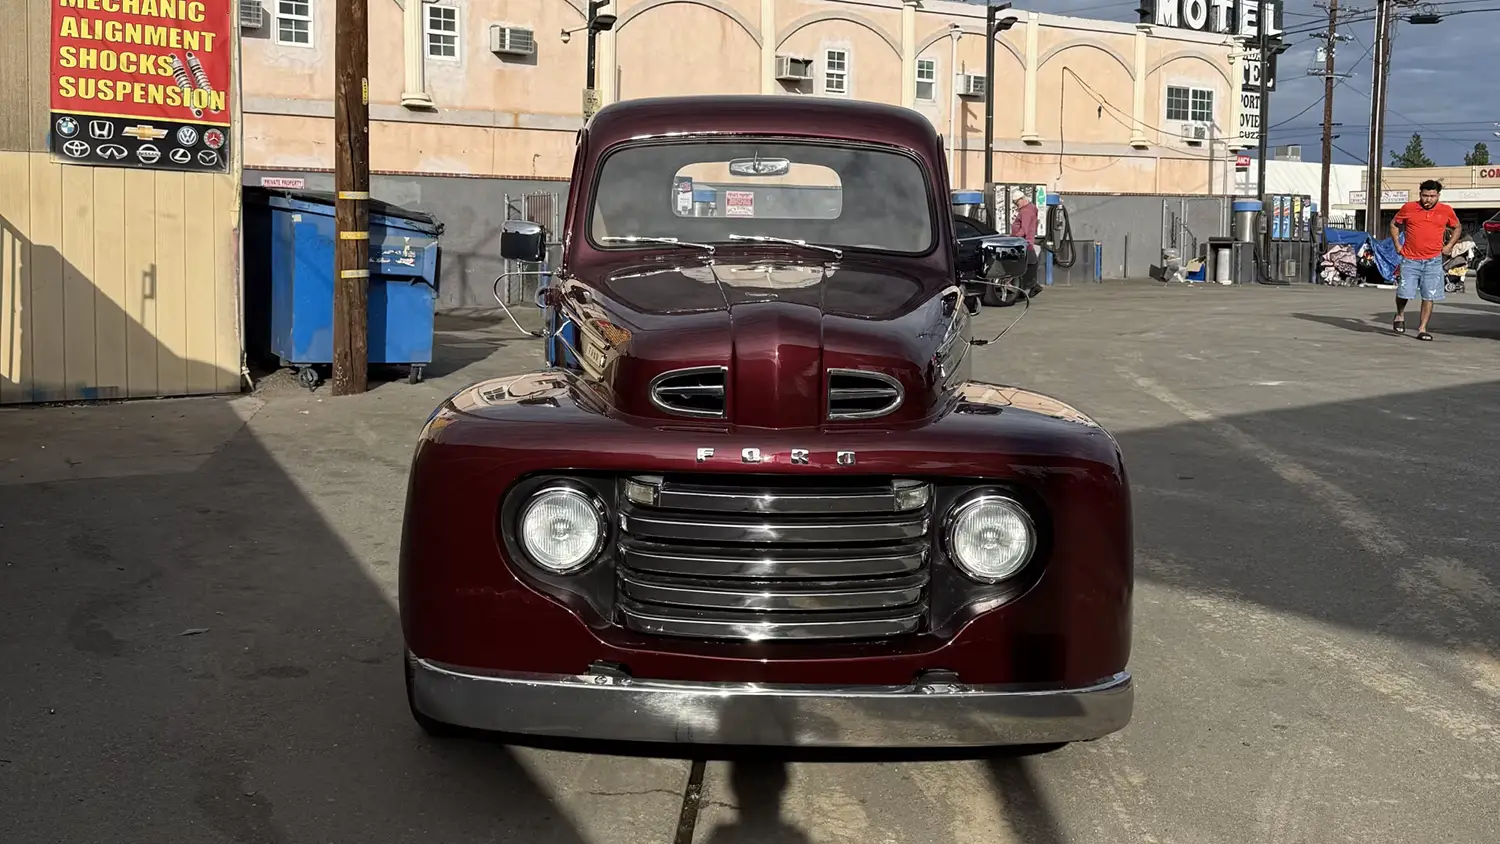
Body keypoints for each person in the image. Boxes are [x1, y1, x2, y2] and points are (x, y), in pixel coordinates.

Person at [1390, 179, 1461, 340]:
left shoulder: (1446, 210)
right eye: (1425, 195)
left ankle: (1422, 329)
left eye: (1432, 196)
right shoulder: (1409, 208)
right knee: (1404, 292)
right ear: (1420, 194)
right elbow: (1394, 224)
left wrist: (1449, 246)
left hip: (1433, 260)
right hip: (1410, 259)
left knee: (1429, 294)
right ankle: (1400, 315)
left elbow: (1457, 227)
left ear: (1438, 195)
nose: (1428, 199)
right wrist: (1397, 245)